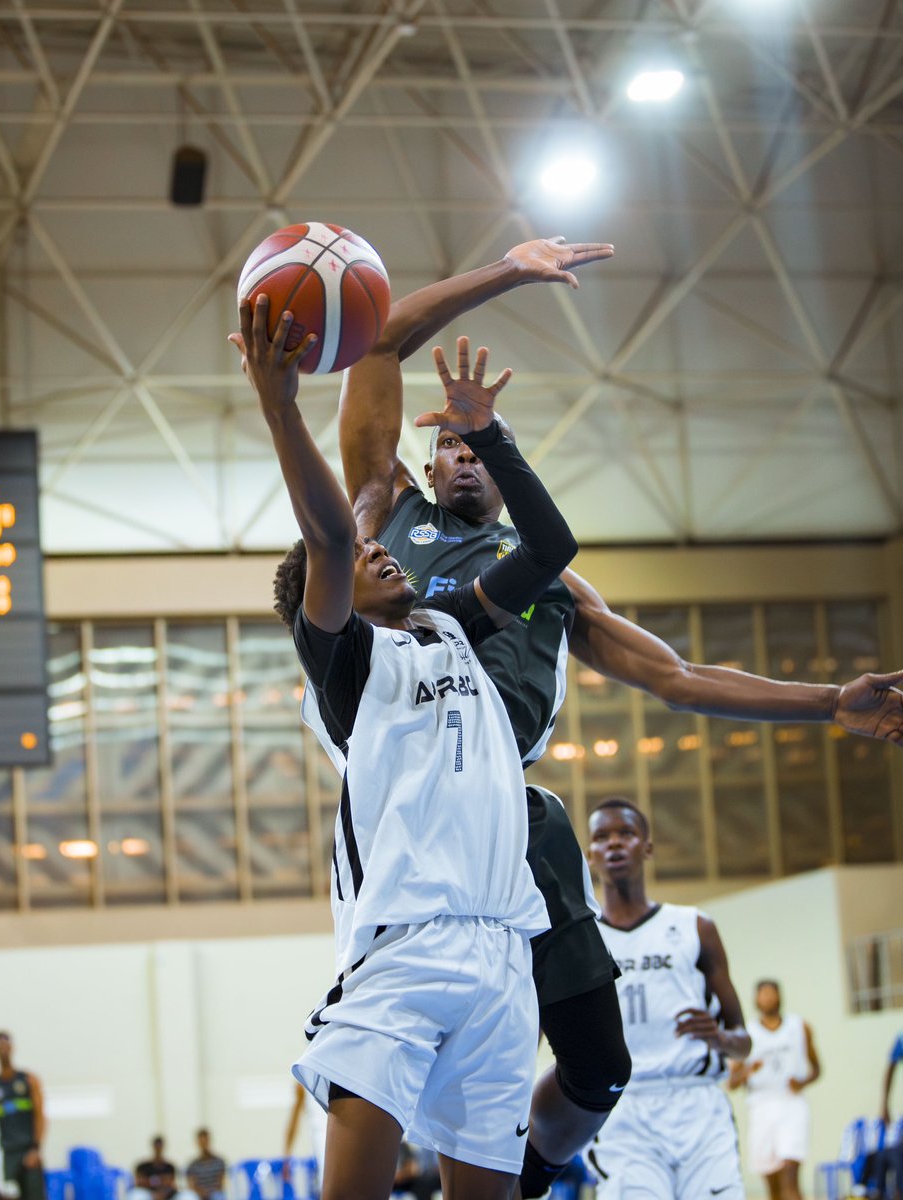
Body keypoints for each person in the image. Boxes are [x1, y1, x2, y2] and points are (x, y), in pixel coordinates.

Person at [337, 234, 903, 1196]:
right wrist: (509, 272)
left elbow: (677, 677)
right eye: (450, 442)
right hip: (409, 814)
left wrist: (826, 704)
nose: (465, 455)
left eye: (482, 445)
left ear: (502, 466)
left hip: (514, 811)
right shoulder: (380, 520)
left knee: (600, 1067)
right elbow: (377, 339)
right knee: (407, 1045)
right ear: (428, 462)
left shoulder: (547, 574)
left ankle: (527, 1173)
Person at [228, 295, 576, 1200]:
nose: (383, 558)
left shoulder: (452, 625)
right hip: (404, 948)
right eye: (355, 567)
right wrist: (279, 407)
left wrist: (489, 436)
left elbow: (552, 545)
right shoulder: (343, 662)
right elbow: (336, 534)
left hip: (503, 953)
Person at [585, 797, 749, 1199]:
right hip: (623, 1108)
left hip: (698, 1105)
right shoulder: (584, 939)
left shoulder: (695, 926)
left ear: (647, 847)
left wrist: (720, 1039)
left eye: (626, 833)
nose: (614, 845)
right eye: (602, 837)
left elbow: (743, 1041)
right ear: (590, 855)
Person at [729, 980, 821, 1200]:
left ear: (779, 997)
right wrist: (748, 1071)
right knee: (773, 1181)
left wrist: (803, 1082)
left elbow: (817, 1069)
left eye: (772, 994)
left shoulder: (799, 1027)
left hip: (791, 1103)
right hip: (761, 1106)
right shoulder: (747, 1034)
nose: (768, 998)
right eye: (763, 994)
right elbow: (732, 1082)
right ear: (756, 999)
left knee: (790, 1170)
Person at [0, 1032, 46, 1200]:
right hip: (7, 1155)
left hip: (28, 1151)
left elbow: (40, 1117)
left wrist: (36, 1149)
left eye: (5, 1044)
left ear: (12, 1047)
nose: (2, 1049)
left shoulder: (29, 1080)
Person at [185, 1131, 224, 1200]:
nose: (203, 1144)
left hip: (214, 1194)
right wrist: (201, 1193)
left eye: (205, 1141)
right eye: (201, 1142)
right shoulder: (193, 1165)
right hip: (199, 1195)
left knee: (218, 1196)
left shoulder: (218, 1162)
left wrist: (210, 1193)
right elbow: (191, 1185)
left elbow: (220, 1184)